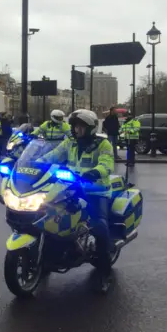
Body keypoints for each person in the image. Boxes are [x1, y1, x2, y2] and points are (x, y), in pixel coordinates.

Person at [40, 109, 115, 292]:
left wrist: (95, 172)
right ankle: (46, 261)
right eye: (74, 126)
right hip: (71, 189)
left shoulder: (103, 144)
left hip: (96, 191)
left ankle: (105, 272)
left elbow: (107, 164)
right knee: (47, 215)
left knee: (99, 226)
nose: (76, 130)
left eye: (80, 126)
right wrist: (36, 163)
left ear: (90, 128)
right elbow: (53, 155)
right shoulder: (70, 143)